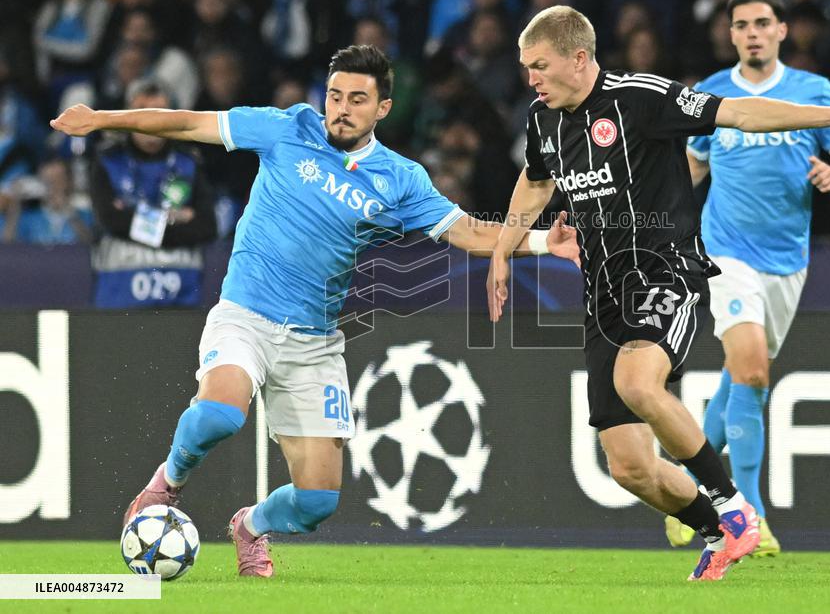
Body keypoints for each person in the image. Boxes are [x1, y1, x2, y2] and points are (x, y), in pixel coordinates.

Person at [50, 44, 580, 578]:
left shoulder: (400, 180)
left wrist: (538, 244)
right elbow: (187, 123)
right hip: (246, 315)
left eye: (357, 99)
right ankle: (165, 486)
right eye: (334, 96)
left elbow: (467, 231)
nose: (341, 108)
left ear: (383, 109)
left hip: (314, 342)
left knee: (317, 502)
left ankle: (250, 526)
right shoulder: (286, 129)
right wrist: (101, 120)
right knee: (219, 414)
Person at [487, 5, 830, 581]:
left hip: (666, 272)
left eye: (539, 65)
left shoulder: (643, 97)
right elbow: (534, 182)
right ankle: (715, 530)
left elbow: (740, 114)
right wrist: (505, 251)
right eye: (526, 67)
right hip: (602, 296)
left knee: (637, 382)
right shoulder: (544, 119)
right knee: (630, 467)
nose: (531, 79)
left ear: (578, 58)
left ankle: (736, 510)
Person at [664, 0, 830, 558]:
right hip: (724, 252)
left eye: (762, 23)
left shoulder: (814, 93)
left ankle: (680, 483)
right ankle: (748, 515)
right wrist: (660, 228)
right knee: (752, 371)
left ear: (783, 30)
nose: (752, 32)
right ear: (730, 34)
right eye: (741, 25)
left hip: (787, 260)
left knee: (744, 374)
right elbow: (691, 170)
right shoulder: (711, 94)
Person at [89, 78, 217, 308]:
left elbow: (207, 226)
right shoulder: (108, 160)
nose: (150, 121)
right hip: (119, 296)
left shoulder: (189, 161)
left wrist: (134, 215)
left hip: (181, 297)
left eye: (159, 112)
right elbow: (110, 219)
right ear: (127, 115)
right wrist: (174, 219)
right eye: (141, 111)